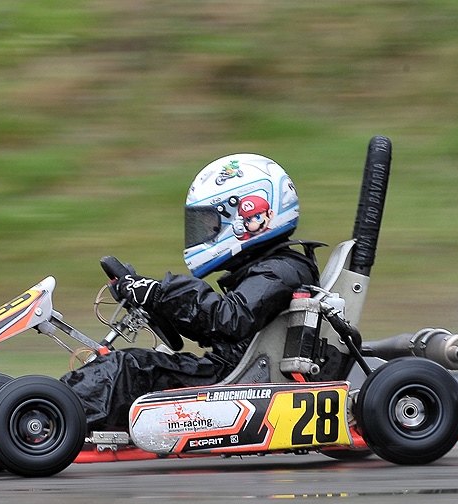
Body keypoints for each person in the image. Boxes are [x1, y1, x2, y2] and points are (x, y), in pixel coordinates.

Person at [59, 153, 322, 431]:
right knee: (136, 363)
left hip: (239, 381)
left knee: (128, 367)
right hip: (235, 372)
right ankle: (36, 407)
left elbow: (230, 320)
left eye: (210, 223)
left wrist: (161, 292)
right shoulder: (275, 267)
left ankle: (45, 415)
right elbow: (216, 328)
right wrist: (156, 302)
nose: (204, 232)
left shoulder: (280, 270)